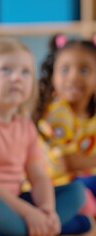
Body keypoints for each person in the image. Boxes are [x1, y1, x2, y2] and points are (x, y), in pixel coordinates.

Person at [0, 37, 91, 236]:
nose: (17, 78)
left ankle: (24, 230)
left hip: (14, 204)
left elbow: (39, 176)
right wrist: (29, 213)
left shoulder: (26, 126)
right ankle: (53, 227)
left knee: (77, 192)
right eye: (6, 70)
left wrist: (46, 210)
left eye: (25, 72)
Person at [34, 34, 96, 219]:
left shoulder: (90, 114)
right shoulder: (58, 113)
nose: (74, 77)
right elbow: (67, 162)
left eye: (84, 70)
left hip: (84, 182)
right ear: (52, 76)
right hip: (55, 188)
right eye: (64, 70)